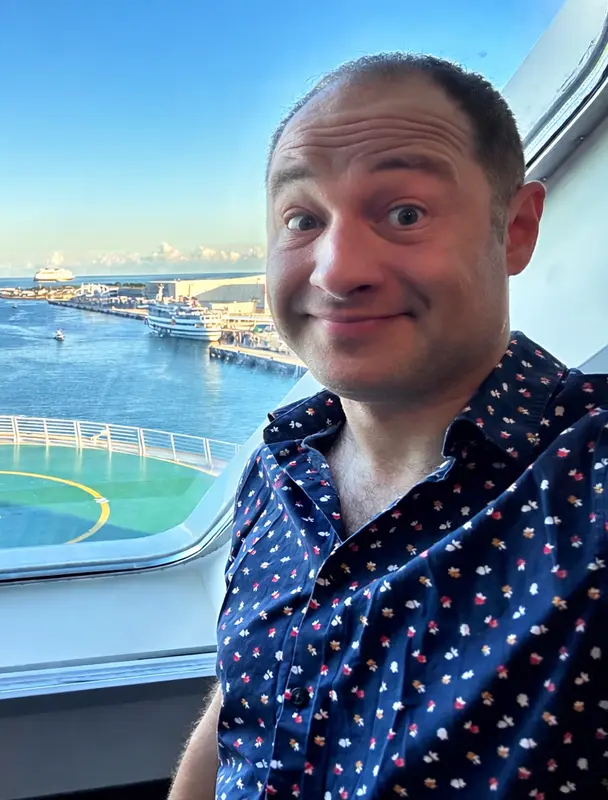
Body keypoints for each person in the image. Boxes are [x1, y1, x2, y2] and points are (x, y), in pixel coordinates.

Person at [169, 53, 608, 799]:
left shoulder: (586, 484)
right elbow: (245, 701)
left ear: (516, 229)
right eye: (303, 219)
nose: (337, 271)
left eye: (405, 214)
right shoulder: (279, 469)